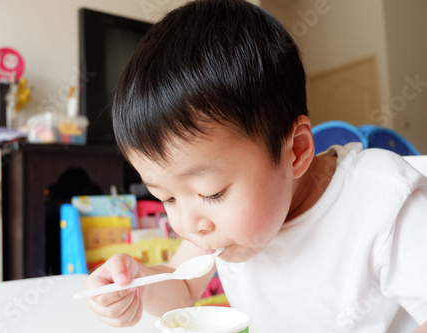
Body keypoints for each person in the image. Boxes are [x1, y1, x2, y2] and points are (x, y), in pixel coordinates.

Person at [84, 0, 427, 331]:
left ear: (295, 150)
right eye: (167, 199)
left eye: (213, 192)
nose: (187, 225)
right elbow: (183, 290)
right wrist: (139, 285)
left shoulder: (384, 202)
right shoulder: (212, 227)